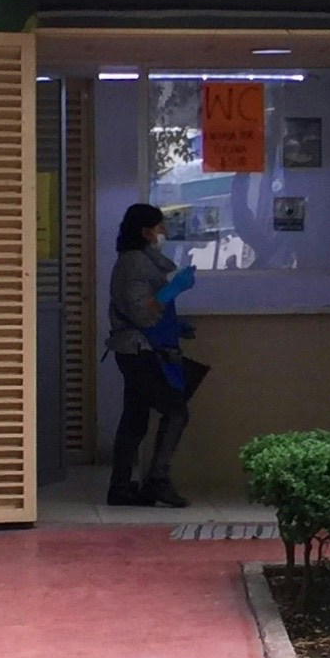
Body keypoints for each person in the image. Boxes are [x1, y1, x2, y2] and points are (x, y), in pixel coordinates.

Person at [106, 203, 209, 507]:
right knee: (176, 411)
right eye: (159, 227)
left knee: (135, 419)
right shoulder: (135, 264)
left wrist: (176, 325)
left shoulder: (140, 260)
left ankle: (121, 488)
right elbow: (142, 312)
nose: (164, 232)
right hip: (140, 350)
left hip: (137, 349)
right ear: (145, 231)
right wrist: (173, 289)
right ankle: (157, 481)